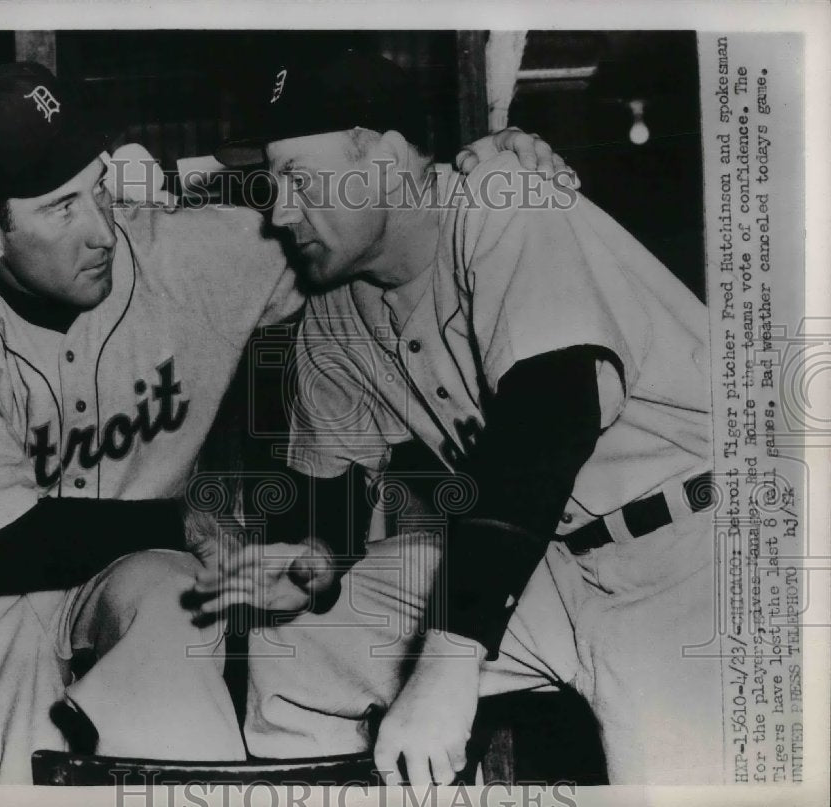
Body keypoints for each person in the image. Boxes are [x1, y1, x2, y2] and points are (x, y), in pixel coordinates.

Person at [0, 59, 563, 783]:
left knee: (175, 617)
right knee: (11, 790)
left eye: (99, 189)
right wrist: (183, 523)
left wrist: (480, 170)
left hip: (136, 564)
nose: (102, 229)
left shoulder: (192, 254)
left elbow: (364, 217)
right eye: (61, 207)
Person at [207, 51, 721, 785]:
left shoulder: (503, 197)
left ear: (385, 157)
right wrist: (302, 565)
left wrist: (450, 659)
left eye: (298, 177)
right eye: (270, 182)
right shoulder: (334, 312)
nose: (279, 209)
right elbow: (330, 511)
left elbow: (551, 416)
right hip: (552, 559)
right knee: (309, 633)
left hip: (701, 547)